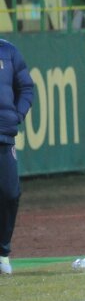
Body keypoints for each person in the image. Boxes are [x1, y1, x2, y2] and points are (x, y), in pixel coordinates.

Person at [0, 37, 35, 276]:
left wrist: (17, 115)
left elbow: (26, 87)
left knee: (10, 194)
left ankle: (2, 253)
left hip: (4, 135)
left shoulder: (9, 51)